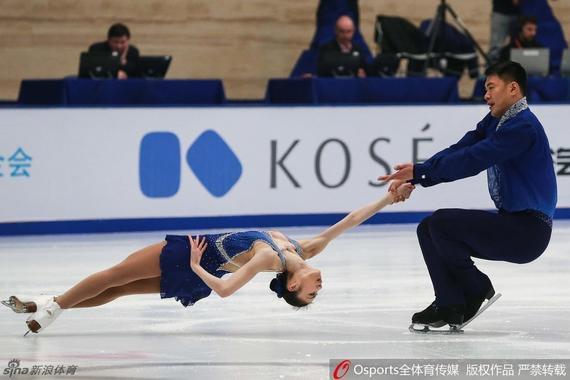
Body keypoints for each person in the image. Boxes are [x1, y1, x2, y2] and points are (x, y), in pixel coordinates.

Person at [3, 185, 414, 334]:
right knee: (119, 287)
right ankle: (50, 304)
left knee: (117, 277)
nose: (318, 289)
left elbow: (225, 291)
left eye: (309, 295)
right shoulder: (302, 251)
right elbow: (349, 221)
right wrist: (389, 197)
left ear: (292, 285)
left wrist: (198, 263)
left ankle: (53, 306)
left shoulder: (270, 258)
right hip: (202, 265)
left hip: (196, 256)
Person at [380, 61, 557, 330]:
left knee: (441, 223)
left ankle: (476, 288)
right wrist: (418, 172)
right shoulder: (498, 121)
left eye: (491, 87)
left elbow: (474, 159)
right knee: (428, 229)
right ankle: (449, 302)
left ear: (512, 89)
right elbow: (465, 145)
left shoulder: (522, 127)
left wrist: (421, 173)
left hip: (529, 231)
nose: (485, 95)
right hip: (515, 223)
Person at [489, 0, 521, 64]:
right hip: (501, 13)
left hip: (517, 14)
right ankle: (492, 70)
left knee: (517, 45)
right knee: (496, 48)